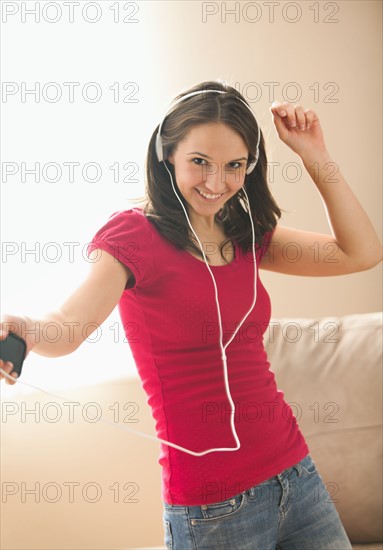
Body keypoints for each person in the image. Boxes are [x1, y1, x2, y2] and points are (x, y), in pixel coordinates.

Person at [1, 80, 381, 549]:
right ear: (167, 153)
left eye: (234, 166)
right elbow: (68, 325)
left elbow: (360, 252)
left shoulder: (245, 232)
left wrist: (314, 154)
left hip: (295, 474)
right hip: (214, 507)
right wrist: (29, 331)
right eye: (200, 161)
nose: (215, 182)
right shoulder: (134, 235)